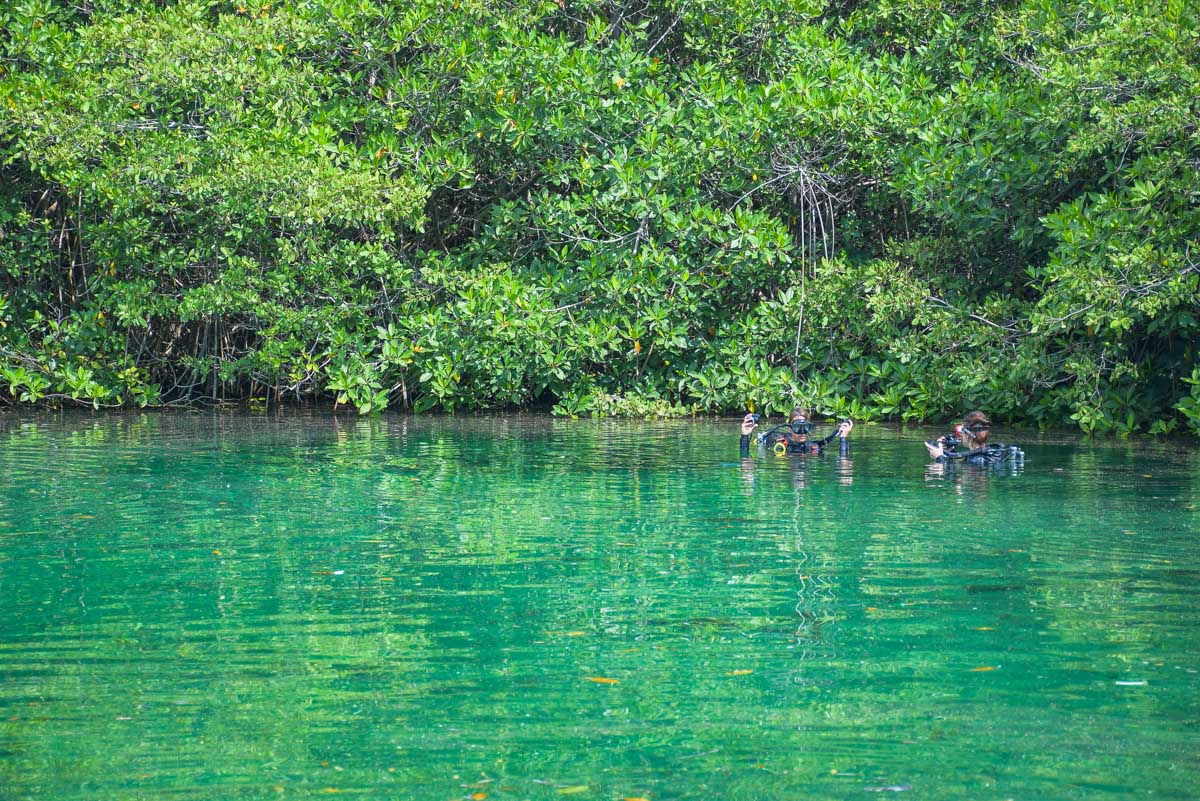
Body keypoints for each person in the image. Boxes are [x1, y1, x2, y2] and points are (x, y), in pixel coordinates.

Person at [741, 407, 853, 458]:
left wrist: (843, 438)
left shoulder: (813, 447)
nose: (802, 432)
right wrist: (745, 436)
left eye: (806, 428)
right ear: (790, 428)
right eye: (797, 427)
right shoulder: (778, 443)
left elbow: (843, 461)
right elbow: (744, 458)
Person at [924, 410, 1020, 465]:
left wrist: (939, 458)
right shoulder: (993, 451)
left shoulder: (976, 460)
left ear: (968, 436)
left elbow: (965, 471)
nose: (961, 436)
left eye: (962, 432)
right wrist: (950, 451)